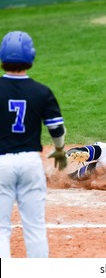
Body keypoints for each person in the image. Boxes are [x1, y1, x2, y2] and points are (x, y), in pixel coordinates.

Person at [0, 31, 67, 258]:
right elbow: (56, 129)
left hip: (0, 164)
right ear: (31, 57)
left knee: (0, 229)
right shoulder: (41, 91)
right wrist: (59, 151)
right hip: (30, 163)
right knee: (35, 227)